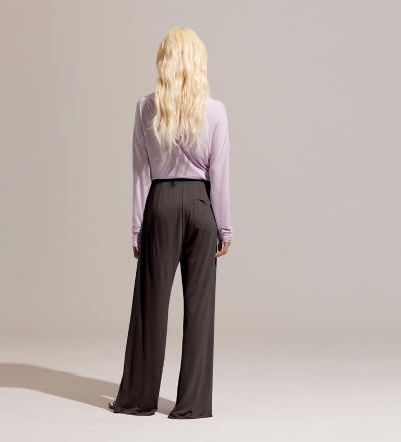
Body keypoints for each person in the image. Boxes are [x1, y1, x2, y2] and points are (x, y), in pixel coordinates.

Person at [109, 27, 233, 419]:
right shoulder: (215, 110)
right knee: (199, 309)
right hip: (200, 206)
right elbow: (220, 173)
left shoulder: (146, 107)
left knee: (151, 304)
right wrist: (225, 227)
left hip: (160, 204)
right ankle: (192, 405)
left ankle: (137, 400)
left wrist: (136, 228)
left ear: (163, 62)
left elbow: (140, 172)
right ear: (199, 62)